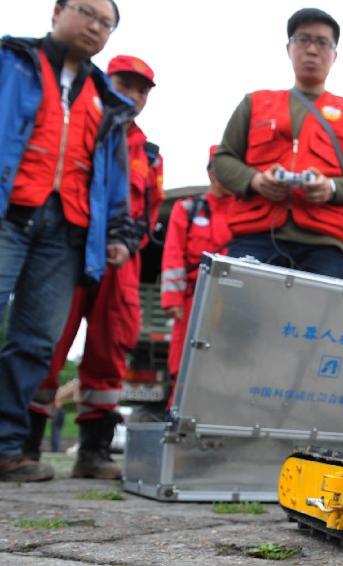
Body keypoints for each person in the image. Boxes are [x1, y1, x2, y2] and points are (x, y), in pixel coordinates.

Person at [0, 0, 137, 483]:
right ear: (57, 11)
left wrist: (118, 231)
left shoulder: (106, 99)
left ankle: (7, 447)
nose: (96, 26)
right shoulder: (11, 61)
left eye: (107, 23)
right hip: (9, 211)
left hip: (67, 228)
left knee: (37, 340)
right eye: (87, 12)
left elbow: (114, 177)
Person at [24, 53, 162, 480]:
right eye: (125, 84)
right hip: (68, 246)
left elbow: (150, 213)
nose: (133, 95)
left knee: (110, 349)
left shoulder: (151, 155)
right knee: (46, 339)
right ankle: (23, 447)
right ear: (105, 82)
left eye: (141, 90)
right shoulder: (80, 126)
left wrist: (128, 243)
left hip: (121, 260)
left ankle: (94, 453)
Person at [214, 7, 343, 279]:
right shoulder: (255, 103)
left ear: (334, 55)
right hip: (254, 237)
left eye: (322, 42)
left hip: (324, 245)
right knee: (245, 321)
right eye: (303, 39)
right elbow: (223, 159)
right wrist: (256, 181)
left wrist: (331, 187)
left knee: (314, 322)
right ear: (289, 48)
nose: (311, 50)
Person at [161, 147, 232, 390]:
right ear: (210, 172)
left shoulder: (245, 213)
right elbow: (173, 256)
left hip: (231, 302)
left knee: (225, 366)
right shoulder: (188, 210)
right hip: (193, 300)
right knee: (184, 365)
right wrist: (172, 300)